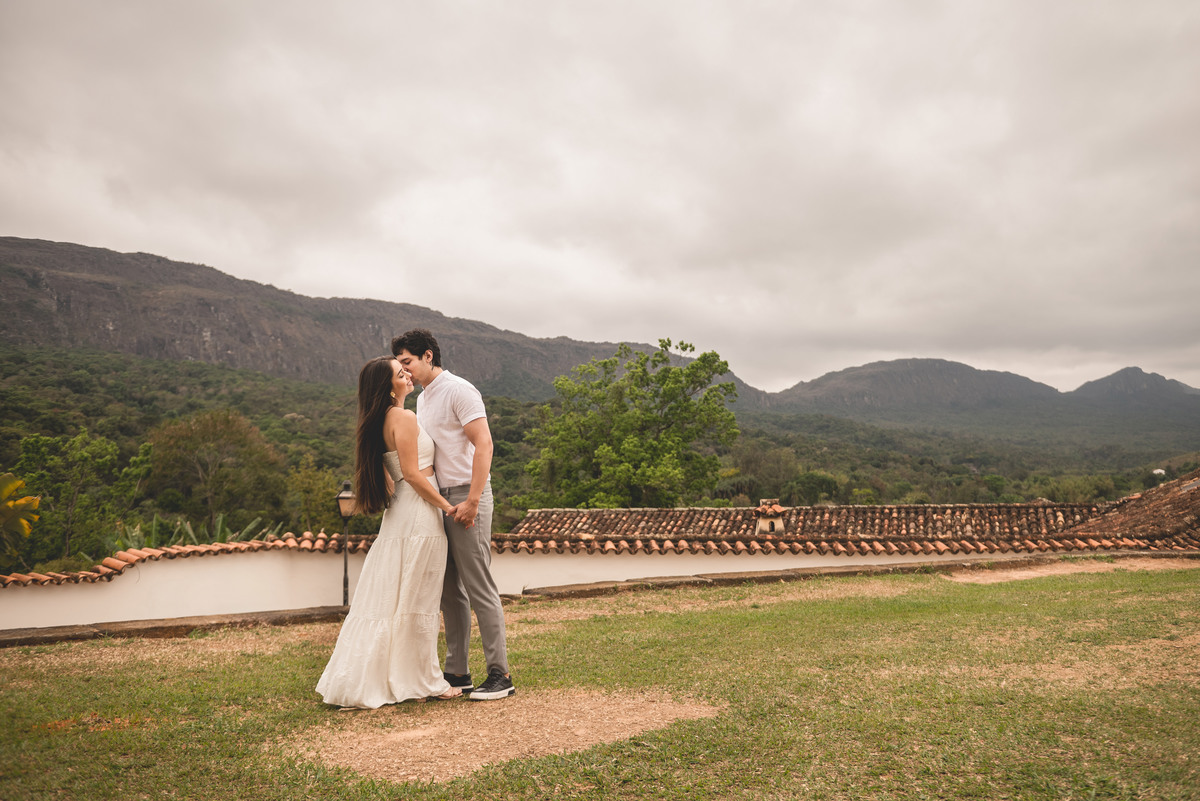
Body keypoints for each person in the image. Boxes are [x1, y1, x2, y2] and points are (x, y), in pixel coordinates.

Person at [315, 356, 460, 708]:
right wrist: (448, 507)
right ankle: (424, 680)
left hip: (398, 516)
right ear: (389, 386)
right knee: (418, 596)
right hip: (419, 514)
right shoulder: (404, 418)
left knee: (395, 595)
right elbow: (412, 474)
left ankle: (399, 675)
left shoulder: (377, 422)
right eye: (400, 373)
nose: (407, 375)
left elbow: (393, 476)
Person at [391, 328, 514, 701]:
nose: (406, 371)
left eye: (408, 362)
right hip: (439, 500)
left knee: (479, 587)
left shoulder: (460, 389)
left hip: (466, 496)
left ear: (428, 356)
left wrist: (474, 500)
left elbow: (484, 444)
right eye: (400, 366)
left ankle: (500, 675)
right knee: (449, 590)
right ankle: (457, 672)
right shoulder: (424, 400)